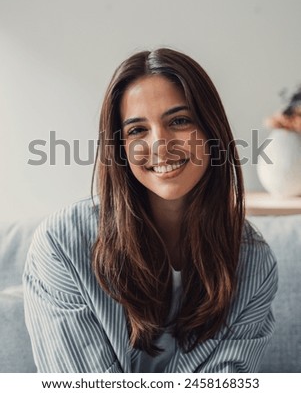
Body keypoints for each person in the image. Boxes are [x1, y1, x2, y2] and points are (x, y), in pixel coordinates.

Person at [23, 48, 278, 373]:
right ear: (120, 147)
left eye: (180, 121)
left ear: (212, 134)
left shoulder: (253, 262)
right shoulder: (62, 245)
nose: (160, 144)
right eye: (137, 130)